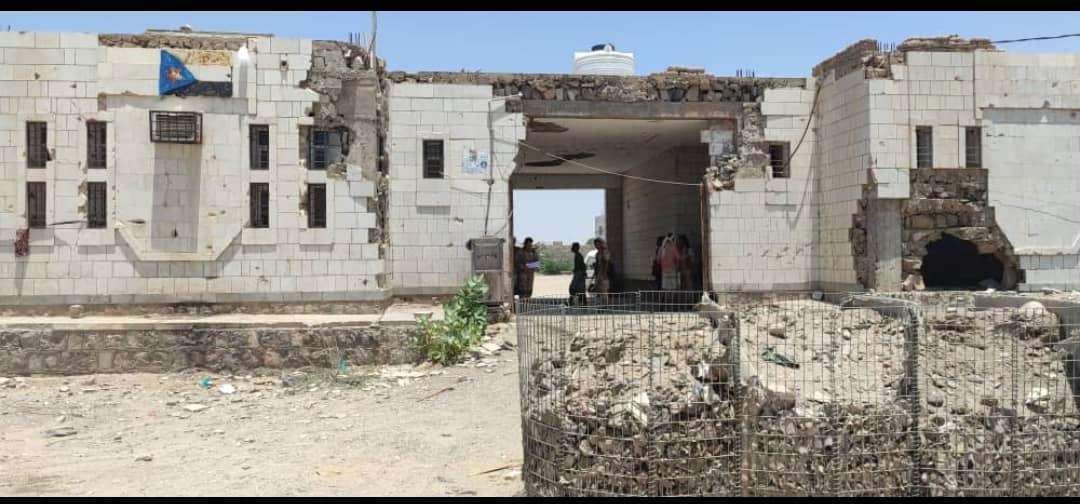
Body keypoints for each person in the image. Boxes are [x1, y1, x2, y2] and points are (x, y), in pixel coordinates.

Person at [593, 237, 612, 303]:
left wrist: (604, 274)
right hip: (599, 275)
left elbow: (606, 262)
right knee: (599, 292)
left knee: (604, 292)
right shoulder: (597, 254)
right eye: (595, 244)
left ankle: (605, 306)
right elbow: (598, 265)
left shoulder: (605, 252)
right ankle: (602, 305)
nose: (596, 246)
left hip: (604, 276)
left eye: (597, 244)